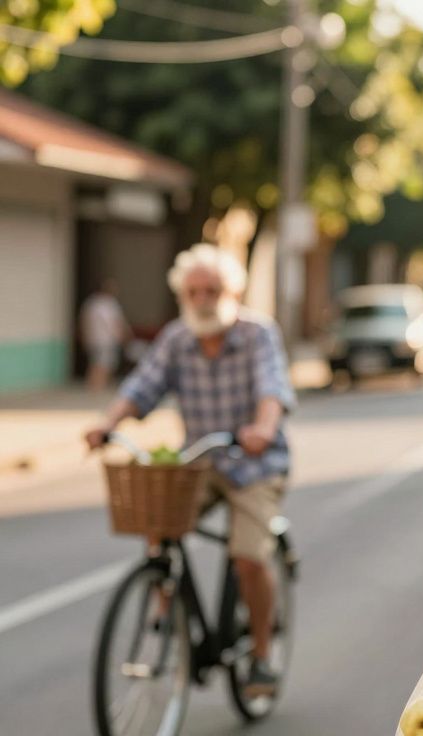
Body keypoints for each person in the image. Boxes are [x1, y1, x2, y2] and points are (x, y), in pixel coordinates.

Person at [85, 243, 296, 698]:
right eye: (193, 291)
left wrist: (262, 426)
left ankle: (261, 656)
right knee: (155, 517)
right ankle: (169, 610)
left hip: (256, 462)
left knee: (248, 556)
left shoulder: (258, 334)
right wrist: (107, 423)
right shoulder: (177, 338)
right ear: (183, 295)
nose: (202, 299)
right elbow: (142, 386)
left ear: (232, 292)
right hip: (200, 462)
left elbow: (272, 386)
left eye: (212, 290)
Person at [80, 279, 131, 392]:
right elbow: (114, 322)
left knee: (96, 363)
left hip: (93, 339)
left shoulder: (90, 303)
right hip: (105, 340)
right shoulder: (109, 304)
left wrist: (85, 337)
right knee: (103, 365)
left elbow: (84, 322)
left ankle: (94, 387)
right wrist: (123, 335)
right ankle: (97, 388)